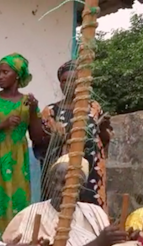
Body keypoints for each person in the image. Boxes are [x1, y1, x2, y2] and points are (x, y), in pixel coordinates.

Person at [3, 155, 127, 246]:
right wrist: (97, 244)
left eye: (64, 183)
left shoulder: (94, 213)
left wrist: (125, 244)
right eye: (54, 182)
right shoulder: (29, 214)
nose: (57, 188)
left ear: (81, 187)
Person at [0, 53, 44, 233]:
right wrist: (2, 125)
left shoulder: (28, 103)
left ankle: (12, 242)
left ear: (17, 75)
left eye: (5, 72)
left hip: (16, 160)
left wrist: (34, 111)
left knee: (15, 201)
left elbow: (37, 137)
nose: (0, 76)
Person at [38, 60, 113, 209]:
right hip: (63, 170)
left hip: (92, 167)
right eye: (64, 81)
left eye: (73, 80)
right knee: (62, 208)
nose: (68, 84)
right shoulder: (50, 111)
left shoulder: (94, 107)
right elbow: (44, 143)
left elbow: (104, 140)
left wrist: (103, 128)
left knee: (91, 207)